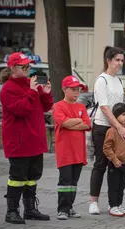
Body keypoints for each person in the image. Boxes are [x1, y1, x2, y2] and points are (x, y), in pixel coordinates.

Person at [0, 52, 53, 224]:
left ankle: (30, 210)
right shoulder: (8, 89)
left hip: (35, 139)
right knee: (17, 178)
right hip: (19, 141)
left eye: (29, 66)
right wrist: (31, 91)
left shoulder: (32, 85)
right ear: (13, 68)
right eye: (24, 66)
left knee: (32, 176)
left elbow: (45, 107)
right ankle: (12, 211)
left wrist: (45, 93)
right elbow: (21, 110)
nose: (28, 69)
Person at [89, 46, 125, 215]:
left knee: (116, 167)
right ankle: (93, 201)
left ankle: (114, 203)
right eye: (117, 60)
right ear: (108, 61)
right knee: (100, 164)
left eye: (122, 60)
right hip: (103, 127)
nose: (120, 63)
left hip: (116, 128)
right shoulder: (102, 80)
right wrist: (119, 126)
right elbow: (105, 108)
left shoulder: (119, 81)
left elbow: (116, 107)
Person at [52, 76, 91, 220]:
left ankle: (70, 207)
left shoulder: (81, 107)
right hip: (65, 151)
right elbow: (64, 123)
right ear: (64, 89)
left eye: (78, 89)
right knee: (65, 181)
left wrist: (73, 122)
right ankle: (62, 209)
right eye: (73, 89)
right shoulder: (58, 106)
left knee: (74, 181)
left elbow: (87, 124)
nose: (76, 92)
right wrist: (78, 121)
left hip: (78, 152)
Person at [103, 103, 125, 217]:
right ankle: (113, 206)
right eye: (123, 114)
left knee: (122, 185)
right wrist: (113, 158)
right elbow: (107, 147)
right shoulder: (112, 131)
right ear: (116, 116)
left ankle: (119, 203)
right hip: (115, 164)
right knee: (114, 186)